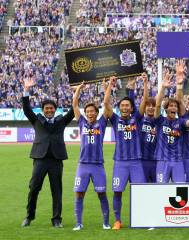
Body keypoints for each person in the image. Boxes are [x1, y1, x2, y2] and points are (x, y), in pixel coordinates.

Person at [21, 77, 75, 228]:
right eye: (47, 108)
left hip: (56, 160)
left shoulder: (61, 121)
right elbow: (26, 108)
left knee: (56, 190)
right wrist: (26, 90)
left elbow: (72, 111)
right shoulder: (36, 120)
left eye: (52, 108)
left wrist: (76, 93)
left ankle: (57, 219)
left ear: (55, 109)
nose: (49, 110)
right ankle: (29, 216)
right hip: (40, 159)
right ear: (43, 110)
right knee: (34, 188)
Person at [106, 75, 147, 230]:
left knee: (140, 192)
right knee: (117, 192)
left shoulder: (136, 119)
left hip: (136, 161)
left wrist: (145, 83)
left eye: (127, 106)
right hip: (120, 162)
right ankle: (117, 220)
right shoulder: (115, 120)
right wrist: (110, 85)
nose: (124, 107)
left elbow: (143, 103)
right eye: (122, 105)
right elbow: (106, 104)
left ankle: (140, 218)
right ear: (119, 108)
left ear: (131, 108)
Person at [72, 80, 113, 230]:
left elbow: (106, 102)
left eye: (92, 111)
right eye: (88, 111)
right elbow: (75, 104)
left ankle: (106, 223)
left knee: (102, 194)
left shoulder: (101, 123)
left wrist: (107, 87)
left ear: (96, 113)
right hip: (83, 165)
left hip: (97, 165)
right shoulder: (81, 122)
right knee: (79, 194)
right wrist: (79, 89)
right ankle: (78, 223)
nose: (90, 113)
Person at [153, 72, 189, 184]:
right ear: (166, 109)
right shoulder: (160, 121)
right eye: (171, 106)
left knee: (181, 190)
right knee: (160, 189)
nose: (173, 107)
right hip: (162, 160)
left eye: (175, 106)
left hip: (178, 160)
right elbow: (158, 104)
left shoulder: (181, 122)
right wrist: (163, 87)